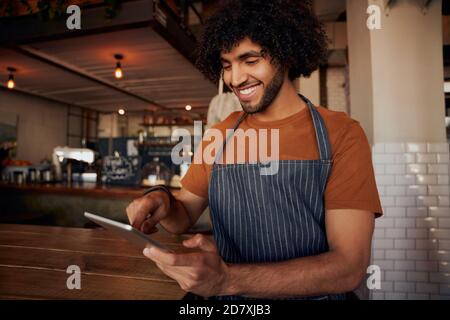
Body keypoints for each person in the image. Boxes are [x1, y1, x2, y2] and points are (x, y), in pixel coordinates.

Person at [126, 0, 383, 300]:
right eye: (227, 65)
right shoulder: (219, 136)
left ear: (284, 53)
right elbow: (182, 216)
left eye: (250, 60)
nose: (235, 78)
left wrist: (227, 280)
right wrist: (162, 200)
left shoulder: (341, 135)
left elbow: (349, 266)